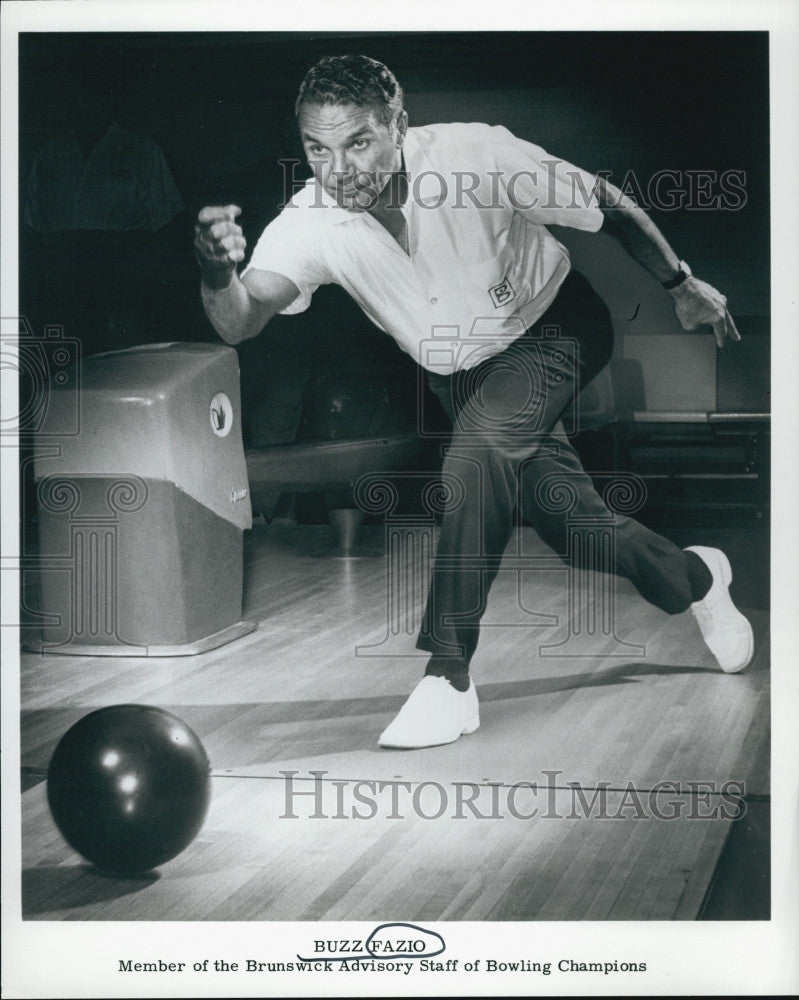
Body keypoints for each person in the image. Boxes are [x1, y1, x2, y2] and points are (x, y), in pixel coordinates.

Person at [194, 55, 754, 749]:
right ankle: (697, 576)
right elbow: (240, 319)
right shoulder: (311, 218)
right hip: (459, 374)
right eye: (317, 148)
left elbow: (606, 204)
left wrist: (679, 283)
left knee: (477, 450)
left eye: (358, 142)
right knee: (570, 525)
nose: (337, 169)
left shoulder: (476, 156)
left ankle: (447, 676)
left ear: (398, 124)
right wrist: (215, 271)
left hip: (553, 331)